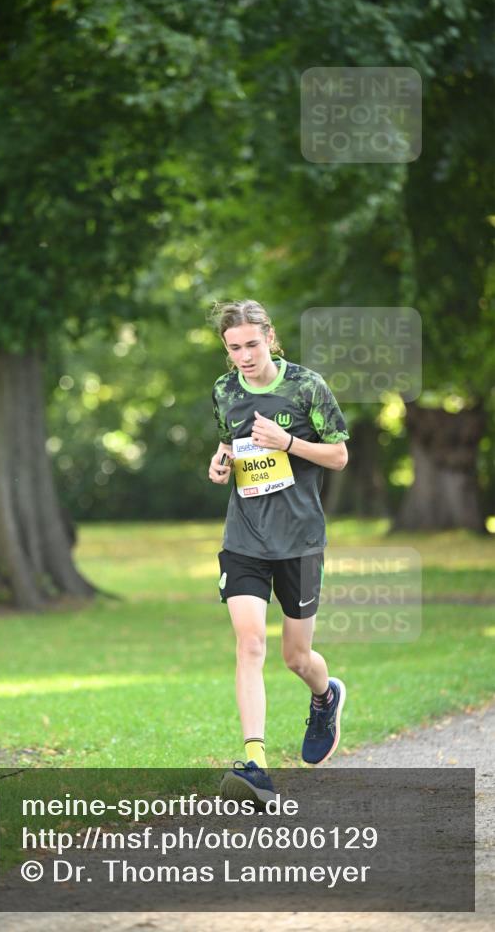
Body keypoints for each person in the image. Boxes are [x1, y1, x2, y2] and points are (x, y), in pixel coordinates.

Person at [207, 299, 349, 806]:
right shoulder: (225, 390)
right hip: (245, 537)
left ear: (270, 336)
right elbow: (230, 445)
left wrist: (288, 441)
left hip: (299, 540)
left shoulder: (306, 386)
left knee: (296, 656)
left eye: (251, 344)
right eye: (233, 348)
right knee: (249, 645)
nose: (243, 356)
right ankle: (255, 763)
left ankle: (325, 695)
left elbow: (338, 454)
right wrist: (220, 463)